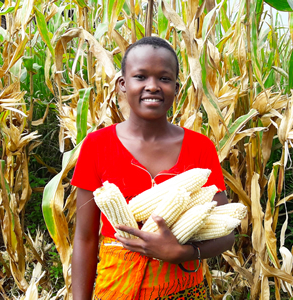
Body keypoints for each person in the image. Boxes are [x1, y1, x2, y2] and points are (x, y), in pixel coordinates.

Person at [71, 36, 235, 300]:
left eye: (164, 78)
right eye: (141, 77)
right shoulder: (96, 145)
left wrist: (183, 253)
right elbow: (85, 238)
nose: (153, 86)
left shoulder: (200, 147)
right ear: (122, 84)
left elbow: (226, 233)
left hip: (183, 288)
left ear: (176, 88)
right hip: (116, 287)